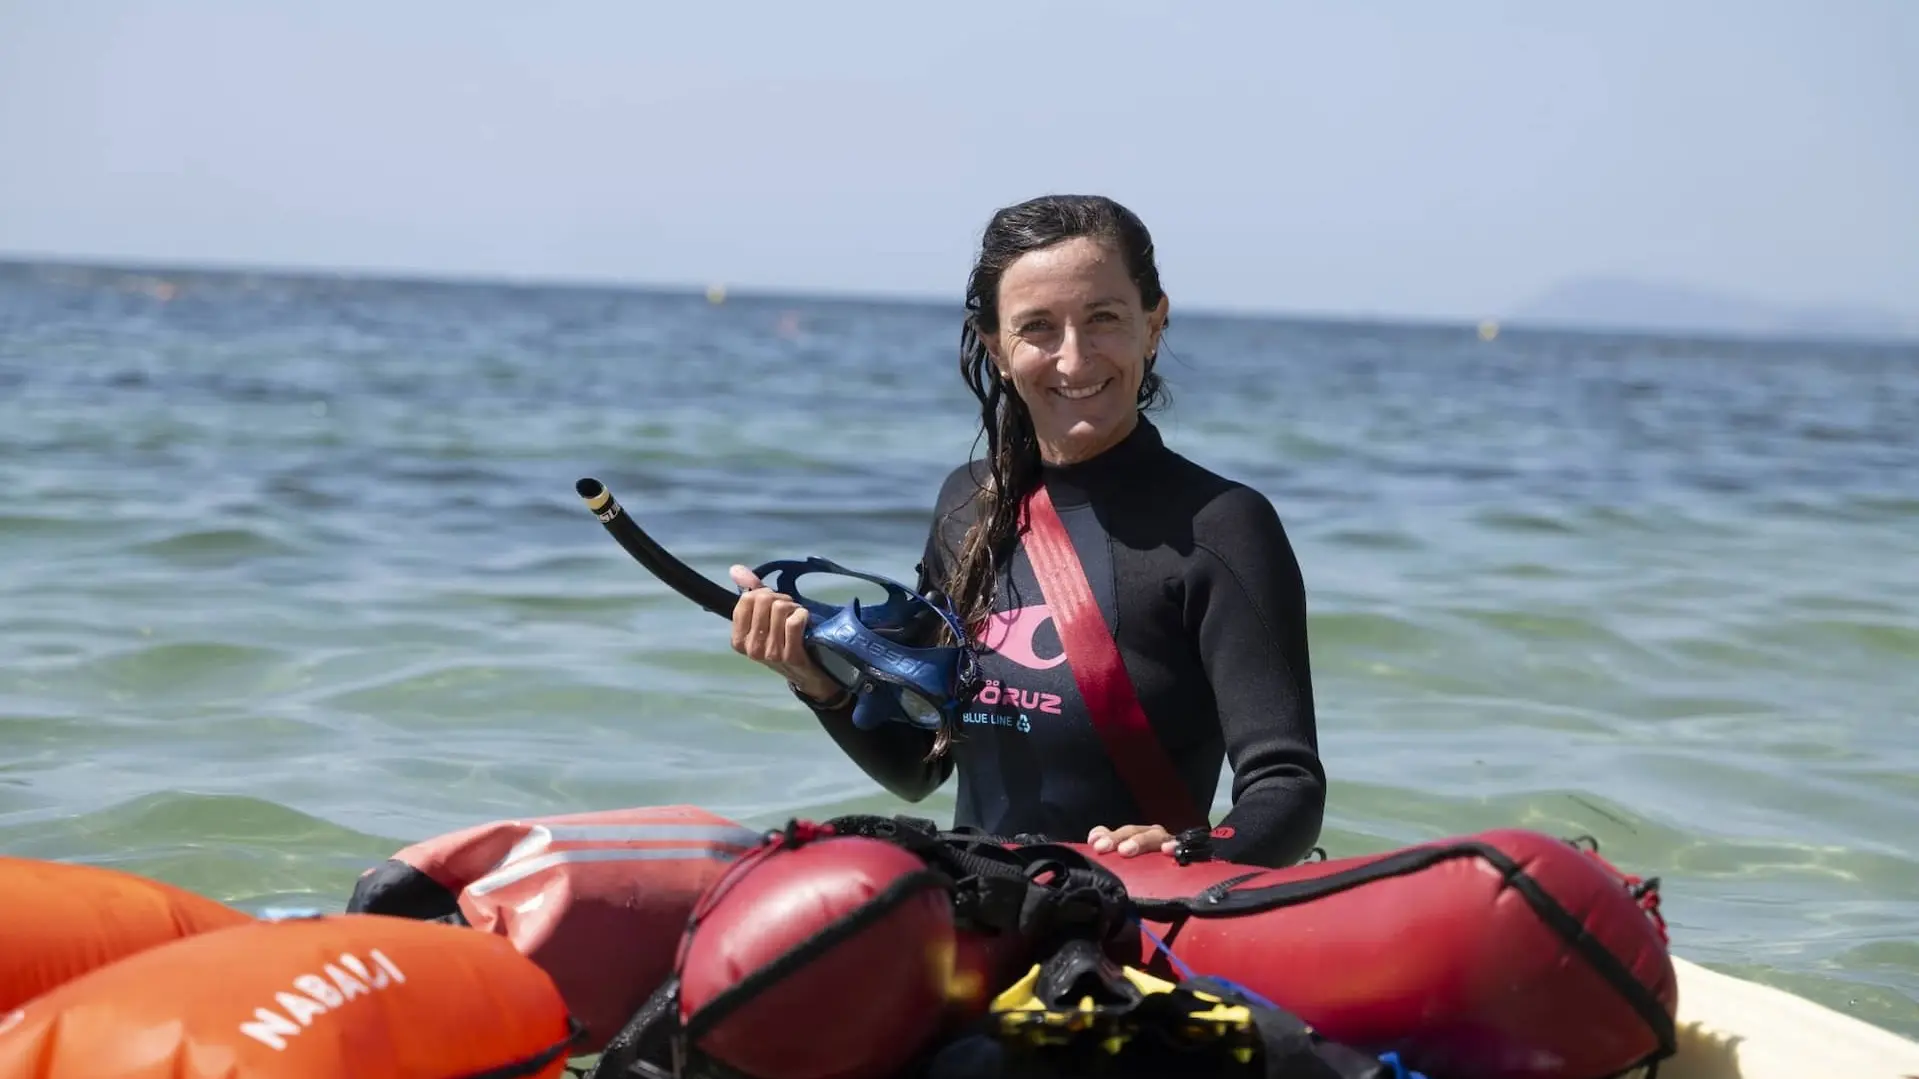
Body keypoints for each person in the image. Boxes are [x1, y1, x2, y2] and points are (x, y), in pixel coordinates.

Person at [726, 194, 1326, 869]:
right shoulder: (968, 505)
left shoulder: (1220, 526)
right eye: (1038, 327)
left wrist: (1193, 851)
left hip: (1123, 926)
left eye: (1103, 318)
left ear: (1152, 325)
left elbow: (1287, 786)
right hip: (978, 912)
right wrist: (814, 678)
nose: (1073, 359)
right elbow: (921, 768)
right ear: (997, 347)